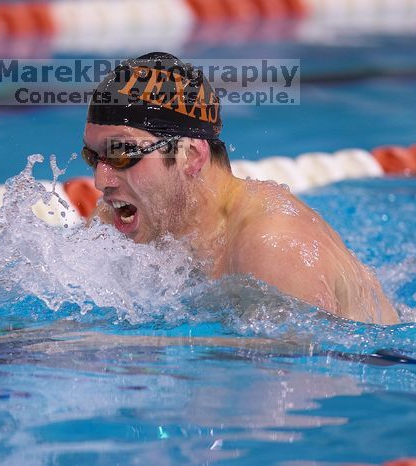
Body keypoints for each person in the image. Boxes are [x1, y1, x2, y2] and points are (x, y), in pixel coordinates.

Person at [81, 52, 399, 325]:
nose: (100, 180)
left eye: (122, 153)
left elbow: (303, 374)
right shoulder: (118, 220)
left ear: (190, 155)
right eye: (93, 156)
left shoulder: (274, 246)